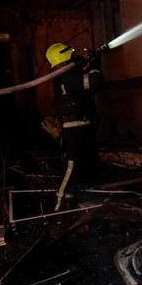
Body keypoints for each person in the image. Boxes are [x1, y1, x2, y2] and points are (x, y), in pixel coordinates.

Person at [45, 43, 103, 211]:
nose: (73, 56)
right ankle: (59, 201)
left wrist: (85, 63)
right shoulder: (68, 75)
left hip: (81, 125)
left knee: (86, 164)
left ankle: (72, 199)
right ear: (64, 57)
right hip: (75, 128)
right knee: (72, 165)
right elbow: (95, 83)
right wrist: (94, 64)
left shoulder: (68, 74)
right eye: (71, 55)